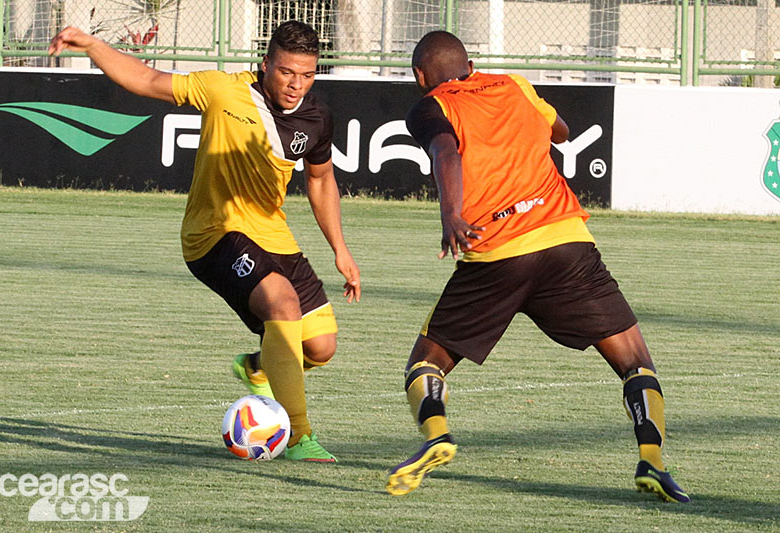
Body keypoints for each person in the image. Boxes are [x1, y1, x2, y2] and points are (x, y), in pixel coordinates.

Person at [385, 30, 688, 502]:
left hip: (498, 252)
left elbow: (444, 149)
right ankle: (653, 461)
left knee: (427, 362)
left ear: (420, 75)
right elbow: (561, 131)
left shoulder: (430, 107)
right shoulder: (515, 85)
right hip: (565, 241)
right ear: (471, 63)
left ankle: (436, 435)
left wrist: (451, 214)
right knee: (634, 361)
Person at [49, 20, 361, 462]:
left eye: (307, 75)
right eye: (287, 72)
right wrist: (91, 45)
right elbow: (145, 79)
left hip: (272, 232)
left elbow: (321, 178)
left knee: (321, 347)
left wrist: (341, 250)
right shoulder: (221, 90)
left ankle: (258, 366)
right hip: (213, 234)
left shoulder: (316, 116)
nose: (296, 85)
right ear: (266, 62)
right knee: (282, 304)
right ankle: (298, 437)